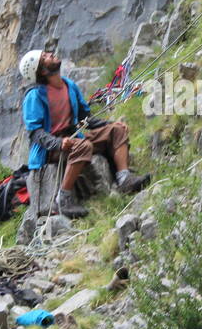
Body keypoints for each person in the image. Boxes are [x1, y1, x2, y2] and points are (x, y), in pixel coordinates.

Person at [19, 48, 149, 218]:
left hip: (74, 137)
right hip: (51, 147)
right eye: (45, 56)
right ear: (42, 70)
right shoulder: (34, 96)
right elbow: (36, 133)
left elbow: (85, 118)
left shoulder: (69, 85)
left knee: (116, 131)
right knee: (83, 146)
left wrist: (110, 124)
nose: (50, 54)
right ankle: (63, 199)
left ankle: (124, 179)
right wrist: (58, 143)